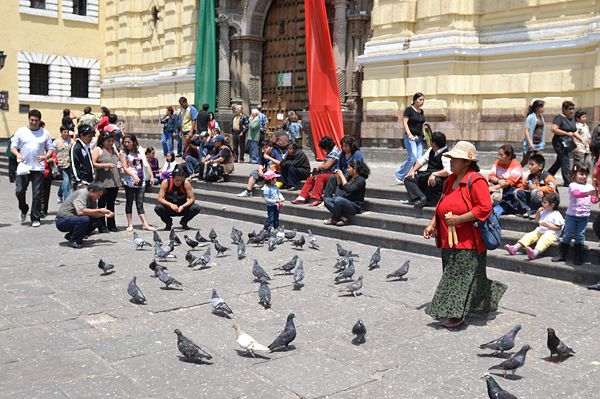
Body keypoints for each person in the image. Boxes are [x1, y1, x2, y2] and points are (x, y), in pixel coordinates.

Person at [423, 141, 507, 329]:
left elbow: (484, 208)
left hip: (468, 240)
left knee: (458, 277)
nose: (451, 162)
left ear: (467, 162)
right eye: (451, 158)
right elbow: (441, 206)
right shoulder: (450, 180)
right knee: (465, 275)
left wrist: (460, 219)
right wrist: (432, 225)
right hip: (447, 238)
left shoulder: (476, 180)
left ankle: (456, 314)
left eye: (456, 159)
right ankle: (484, 299)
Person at [10, 109, 55, 227]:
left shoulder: (45, 133)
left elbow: (51, 148)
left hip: (38, 168)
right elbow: (13, 147)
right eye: (32, 120)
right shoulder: (21, 131)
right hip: (24, 166)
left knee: (37, 194)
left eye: (36, 120)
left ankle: (35, 217)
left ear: (40, 121)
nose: (34, 122)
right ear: (28, 119)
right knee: (19, 191)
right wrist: (18, 154)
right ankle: (24, 208)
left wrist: (45, 156)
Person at [552, 164, 597, 265]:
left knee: (580, 236)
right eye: (581, 174)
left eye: (585, 174)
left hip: (584, 217)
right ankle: (562, 254)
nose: (584, 176)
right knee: (567, 234)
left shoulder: (589, 186)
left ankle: (578, 256)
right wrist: (588, 193)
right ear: (575, 174)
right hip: (572, 216)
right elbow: (576, 194)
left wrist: (596, 197)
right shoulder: (573, 185)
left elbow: (593, 200)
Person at [505, 193, 564, 260]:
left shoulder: (556, 214)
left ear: (552, 205)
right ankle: (515, 248)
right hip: (540, 230)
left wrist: (548, 226)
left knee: (544, 240)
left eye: (545, 203)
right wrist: (538, 212)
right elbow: (536, 220)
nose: (542, 204)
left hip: (552, 233)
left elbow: (559, 227)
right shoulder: (543, 211)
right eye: (542, 202)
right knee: (529, 236)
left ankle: (535, 252)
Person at [55, 183, 113, 249]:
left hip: (74, 219)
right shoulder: (82, 193)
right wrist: (100, 210)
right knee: (84, 219)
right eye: (98, 195)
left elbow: (93, 214)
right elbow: (80, 212)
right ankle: (74, 241)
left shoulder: (93, 199)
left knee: (97, 220)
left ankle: (72, 236)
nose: (99, 198)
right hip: (62, 220)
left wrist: (105, 214)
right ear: (91, 191)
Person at [403, 131, 450, 208]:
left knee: (434, 181)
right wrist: (412, 171)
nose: (431, 143)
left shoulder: (446, 154)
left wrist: (435, 174)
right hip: (427, 174)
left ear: (435, 143)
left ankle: (427, 199)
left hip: (438, 178)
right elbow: (422, 161)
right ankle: (421, 197)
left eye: (432, 142)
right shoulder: (431, 150)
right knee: (409, 179)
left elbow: (448, 170)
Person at [291, 136, 340, 206]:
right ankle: (302, 196)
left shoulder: (335, 152)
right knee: (310, 179)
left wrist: (319, 167)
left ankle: (317, 198)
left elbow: (326, 166)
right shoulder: (330, 151)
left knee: (319, 177)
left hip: (333, 174)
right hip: (326, 173)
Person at [121, 134, 155, 231]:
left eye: (129, 142)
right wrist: (133, 175)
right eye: (125, 142)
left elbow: (146, 163)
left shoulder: (140, 150)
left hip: (141, 180)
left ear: (134, 142)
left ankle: (145, 224)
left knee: (140, 202)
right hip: (130, 181)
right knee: (129, 201)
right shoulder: (123, 153)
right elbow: (125, 167)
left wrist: (151, 176)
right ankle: (130, 224)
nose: (127, 144)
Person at [92, 132, 123, 233]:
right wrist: (105, 165)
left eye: (112, 141)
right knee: (101, 204)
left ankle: (111, 224)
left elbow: (119, 161)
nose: (110, 143)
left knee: (111, 204)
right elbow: (93, 163)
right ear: (103, 141)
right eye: (108, 141)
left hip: (114, 181)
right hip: (102, 182)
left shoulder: (114, 150)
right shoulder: (98, 150)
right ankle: (101, 225)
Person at [323, 159, 370, 226]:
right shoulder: (350, 176)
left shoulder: (361, 180)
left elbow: (349, 189)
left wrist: (342, 176)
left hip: (354, 206)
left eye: (349, 168)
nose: (347, 170)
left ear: (355, 169)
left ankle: (334, 219)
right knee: (327, 200)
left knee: (338, 199)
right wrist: (338, 177)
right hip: (345, 202)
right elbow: (342, 187)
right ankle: (342, 217)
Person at [154, 166, 201, 230]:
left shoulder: (186, 183)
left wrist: (183, 206)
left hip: (182, 208)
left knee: (196, 207)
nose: (179, 182)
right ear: (172, 178)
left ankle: (184, 222)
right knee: (158, 208)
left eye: (181, 180)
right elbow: (159, 198)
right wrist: (170, 204)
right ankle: (168, 223)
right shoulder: (166, 182)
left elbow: (192, 198)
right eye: (177, 180)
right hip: (170, 208)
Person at [548, 101, 582, 187]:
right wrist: (566, 133)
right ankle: (567, 182)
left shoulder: (571, 119)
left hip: (568, 142)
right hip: (559, 142)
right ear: (564, 109)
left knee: (559, 162)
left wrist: (582, 140)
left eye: (573, 109)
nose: (572, 111)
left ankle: (547, 175)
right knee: (565, 161)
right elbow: (554, 129)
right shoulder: (559, 118)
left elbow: (574, 131)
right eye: (570, 109)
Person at [513, 154, 557, 219]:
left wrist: (537, 188)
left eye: (532, 165)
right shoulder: (531, 176)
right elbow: (525, 188)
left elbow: (551, 189)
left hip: (548, 199)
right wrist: (525, 184)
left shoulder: (548, 177)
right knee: (517, 192)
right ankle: (527, 209)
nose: (529, 167)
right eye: (529, 165)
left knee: (535, 191)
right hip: (535, 198)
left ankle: (535, 211)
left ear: (540, 166)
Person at [395, 92, 425, 184]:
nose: (422, 101)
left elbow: (422, 124)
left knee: (419, 159)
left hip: (420, 138)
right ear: (414, 100)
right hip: (410, 137)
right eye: (420, 100)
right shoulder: (409, 110)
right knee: (413, 157)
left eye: (423, 100)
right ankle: (400, 174)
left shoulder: (421, 111)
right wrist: (409, 134)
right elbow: (405, 122)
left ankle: (413, 175)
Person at [488, 144, 523, 216]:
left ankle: (496, 211)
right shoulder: (497, 163)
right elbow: (491, 177)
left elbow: (508, 183)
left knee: (509, 191)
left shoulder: (516, 166)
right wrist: (499, 181)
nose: (499, 157)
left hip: (511, 193)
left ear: (509, 156)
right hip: (499, 187)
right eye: (498, 155)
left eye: (501, 155)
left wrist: (495, 187)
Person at [521, 100, 545, 166]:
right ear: (537, 108)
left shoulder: (541, 117)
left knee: (540, 162)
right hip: (531, 143)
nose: (543, 108)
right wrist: (530, 143)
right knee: (525, 161)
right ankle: (516, 172)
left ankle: (537, 176)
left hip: (539, 143)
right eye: (542, 107)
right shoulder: (531, 117)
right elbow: (526, 130)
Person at [71, 125, 95, 190]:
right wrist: (79, 180)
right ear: (81, 135)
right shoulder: (76, 147)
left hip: (89, 180)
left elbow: (90, 161)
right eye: (89, 136)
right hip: (82, 182)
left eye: (92, 136)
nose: (91, 139)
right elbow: (74, 165)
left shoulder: (87, 146)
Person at [54, 126, 74, 204]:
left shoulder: (72, 141)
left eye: (67, 132)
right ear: (61, 132)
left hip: (69, 164)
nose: (66, 134)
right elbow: (53, 152)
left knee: (66, 181)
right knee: (66, 181)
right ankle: (67, 201)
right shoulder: (56, 142)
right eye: (64, 132)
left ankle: (60, 194)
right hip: (60, 164)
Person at [41, 152, 59, 218]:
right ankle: (40, 209)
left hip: (47, 174)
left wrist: (50, 160)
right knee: (39, 192)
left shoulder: (50, 151)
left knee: (46, 192)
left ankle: (44, 209)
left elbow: (56, 161)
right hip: (37, 174)